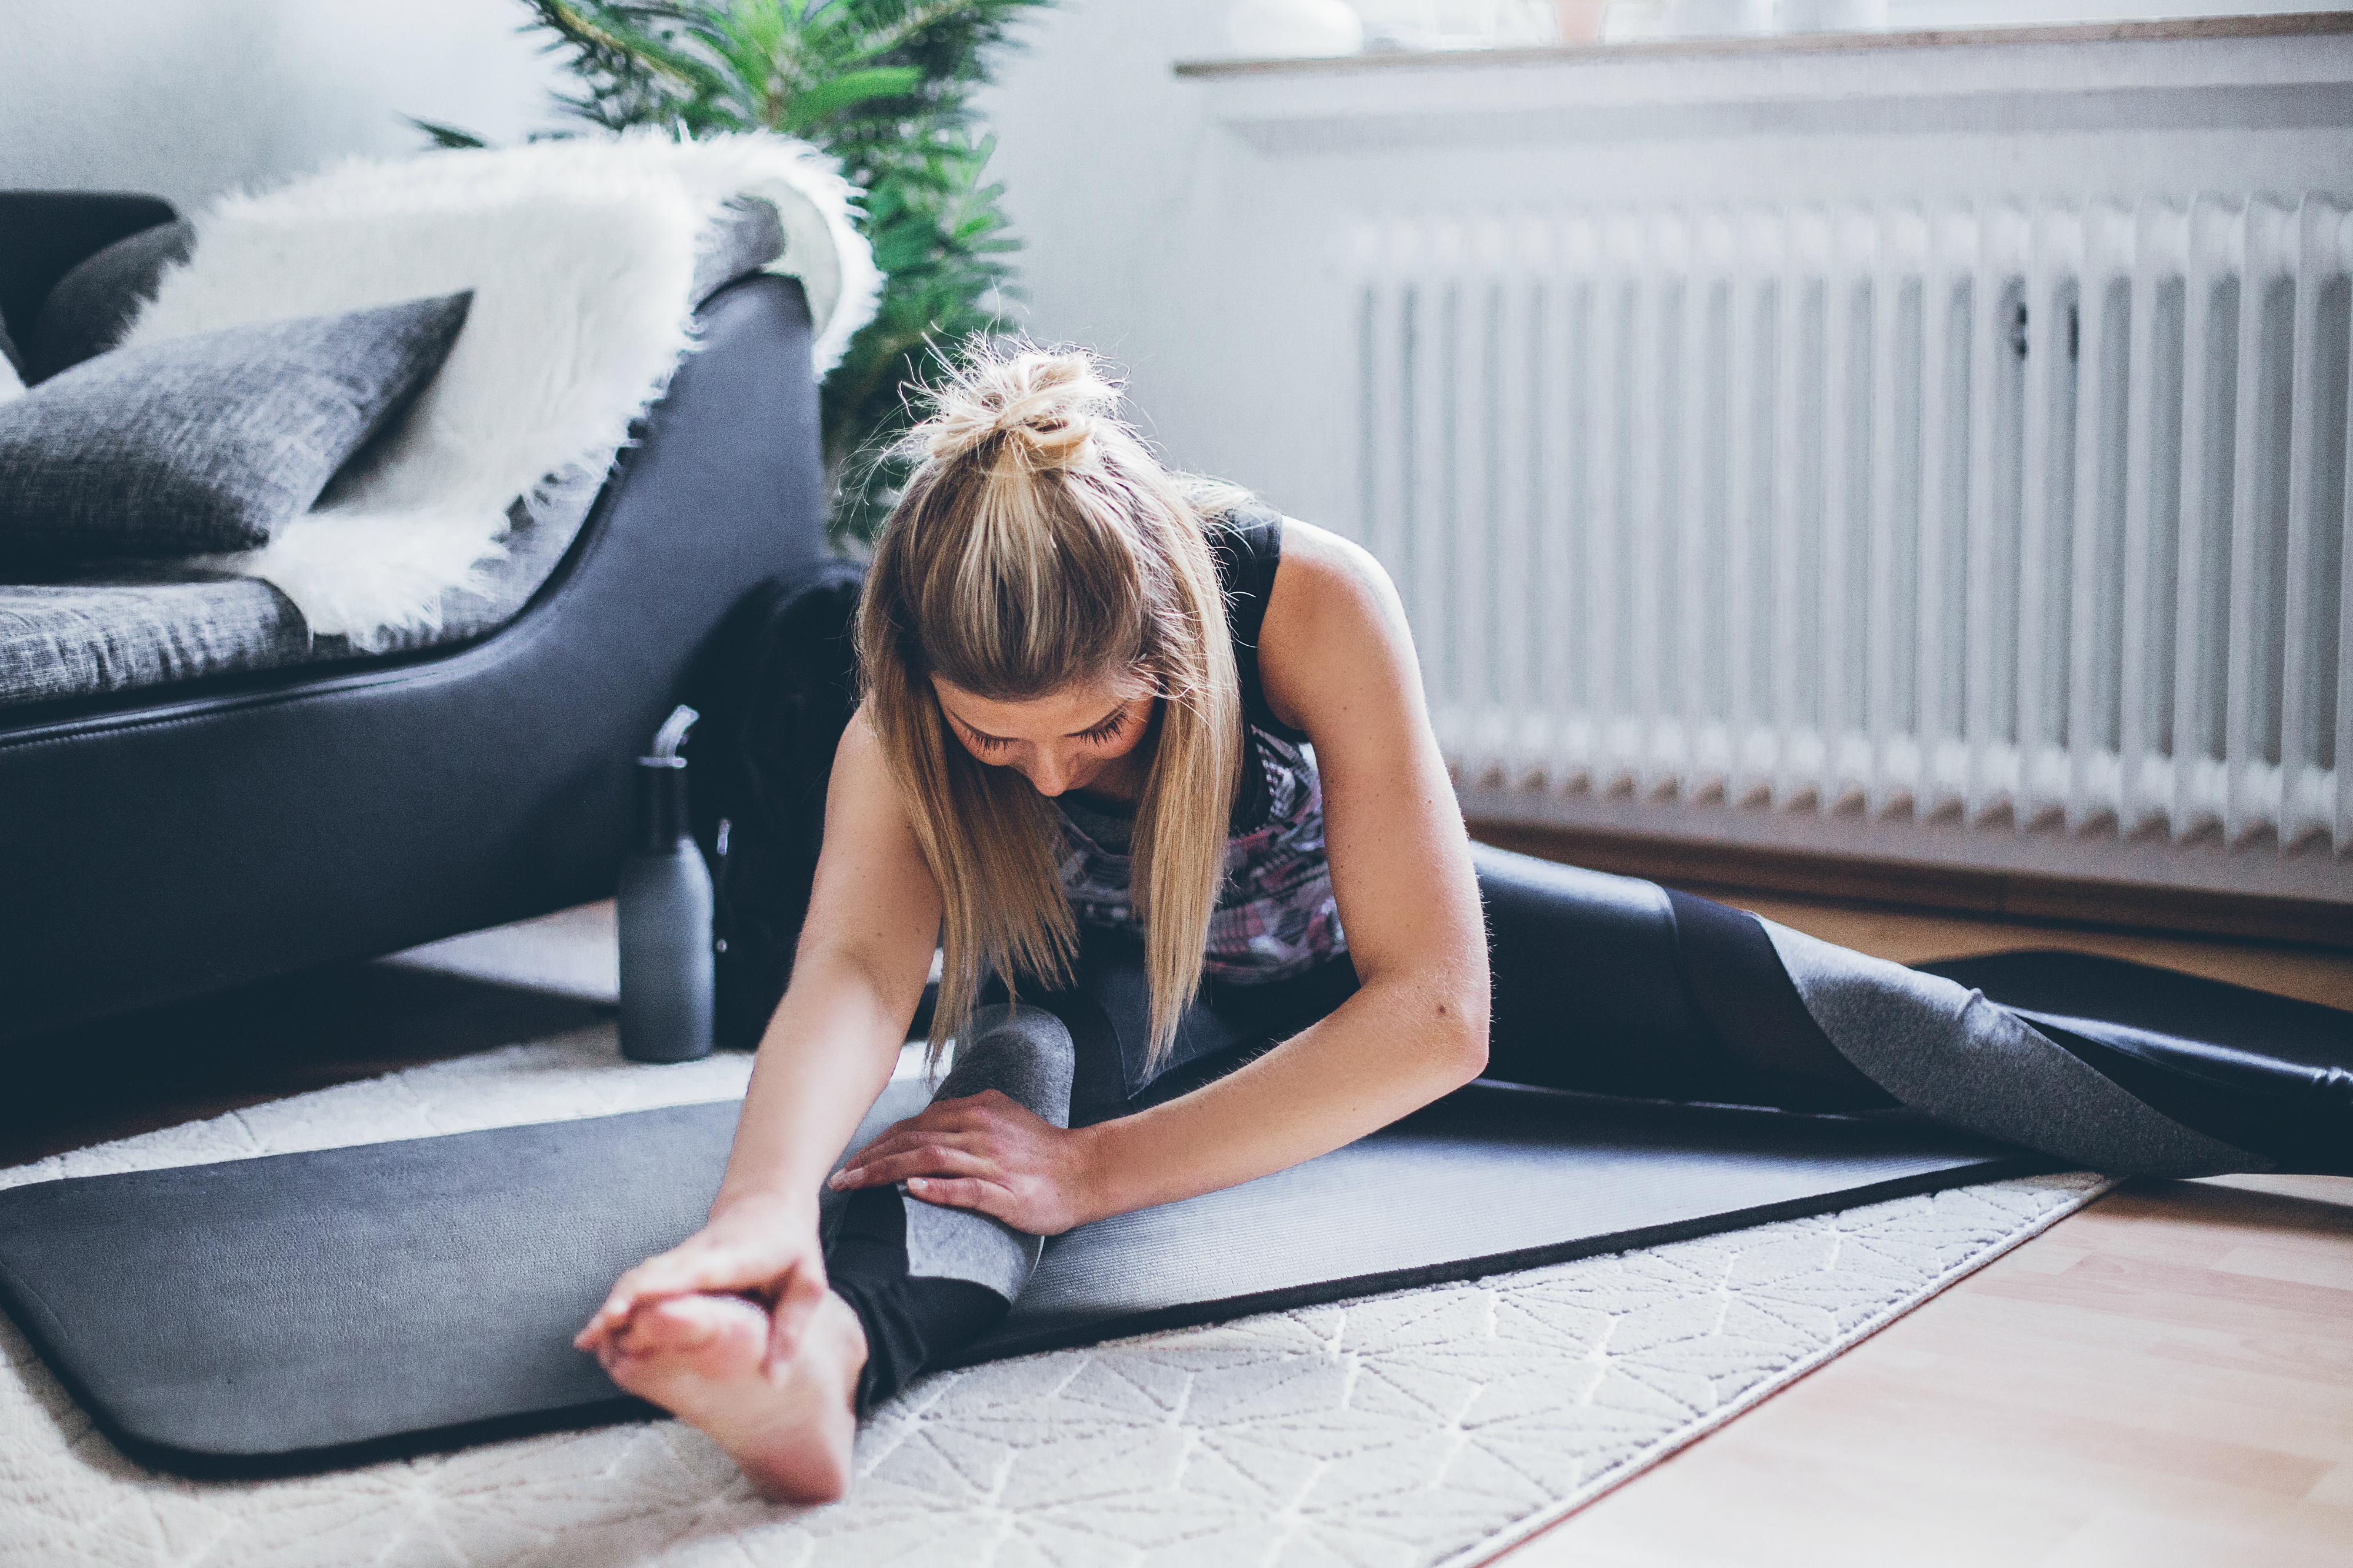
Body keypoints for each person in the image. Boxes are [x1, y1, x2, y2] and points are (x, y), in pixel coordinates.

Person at [575, 345, 2344, 1504]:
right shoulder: (898, 697)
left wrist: (1106, 1178)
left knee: (1885, 1022)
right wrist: (757, 1214)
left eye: (1097, 732)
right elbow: (861, 970)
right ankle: (805, 1361)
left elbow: (1439, 1011)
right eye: (994, 744)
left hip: (1357, 944)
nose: (1041, 783)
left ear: (1176, 649)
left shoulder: (1307, 593)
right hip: (1113, 990)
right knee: (969, 1148)